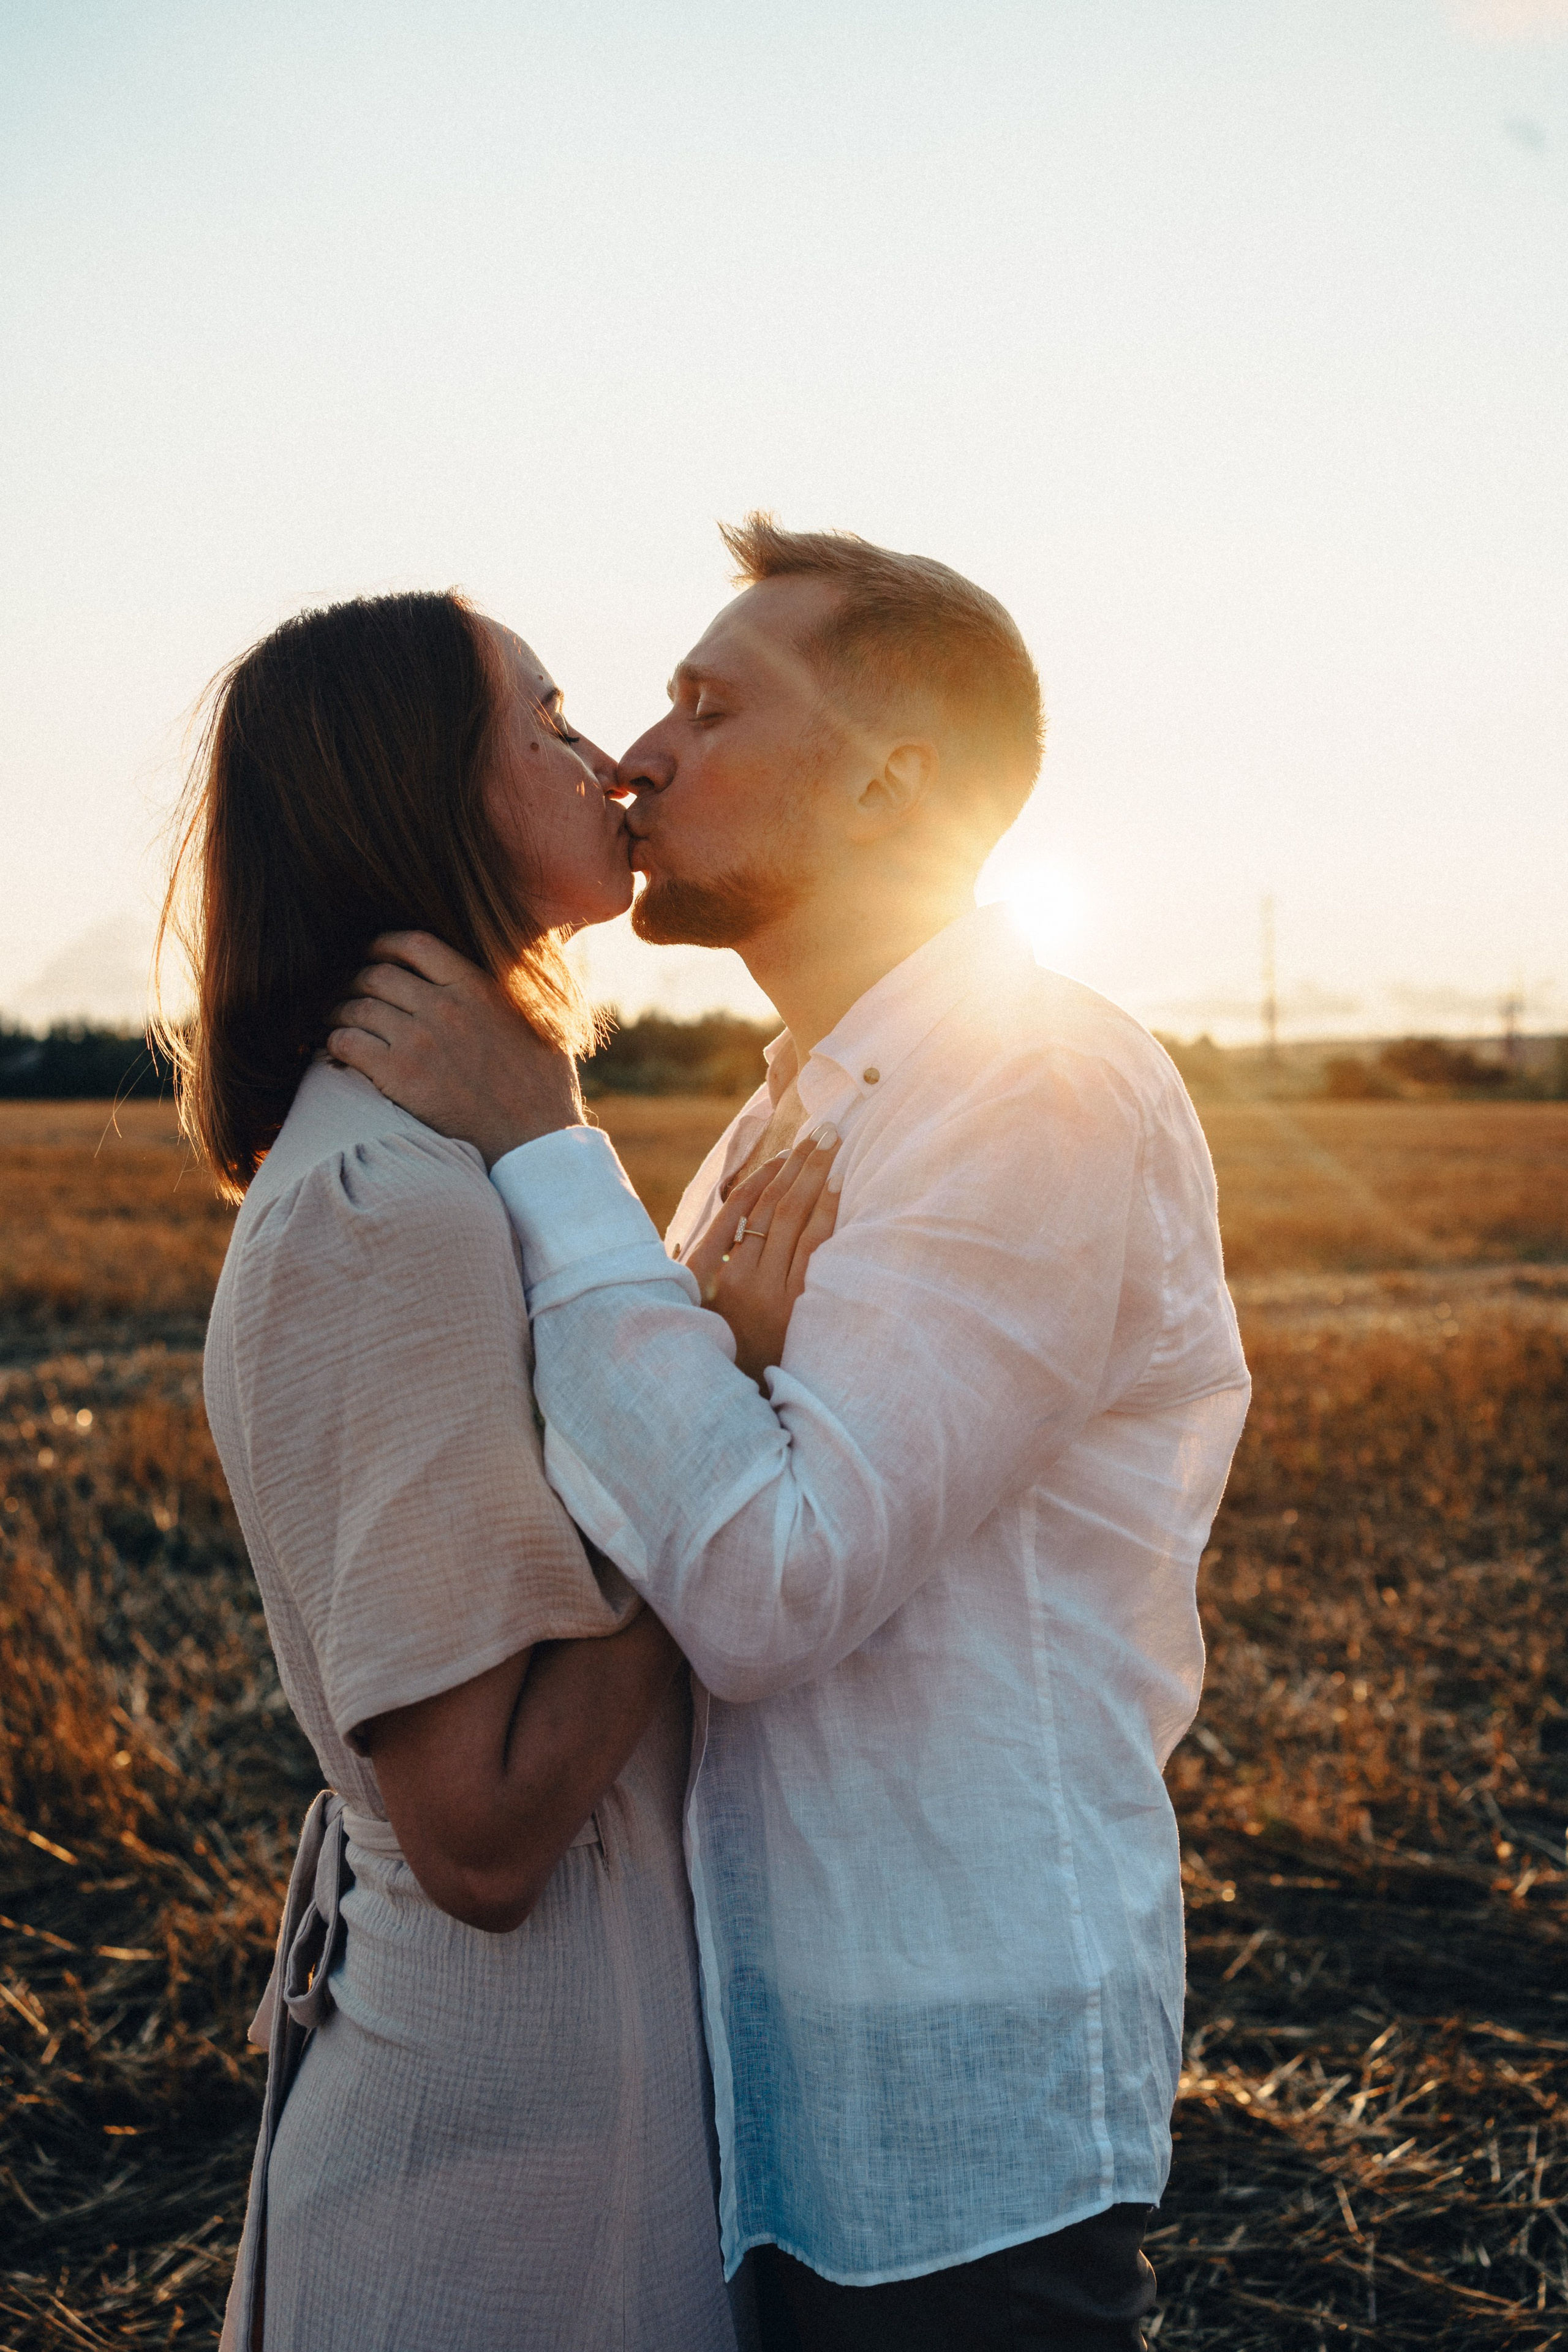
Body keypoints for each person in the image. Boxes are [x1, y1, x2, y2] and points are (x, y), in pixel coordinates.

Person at [330, 519, 1253, 2352]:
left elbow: (760, 1583)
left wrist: (539, 1151)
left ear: (895, 780)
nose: (640, 758)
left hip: (945, 2100)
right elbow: (657, 1498)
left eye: (707, 707)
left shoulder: (1028, 1088)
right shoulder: (789, 1120)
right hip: (750, 2078)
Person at [161, 590, 832, 2352]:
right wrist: (729, 1406)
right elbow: (482, 1824)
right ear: (426, 800)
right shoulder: (393, 1211)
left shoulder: (424, 1167)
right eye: (543, 722)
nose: (604, 757)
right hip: (495, 2151)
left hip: (551, 2099)